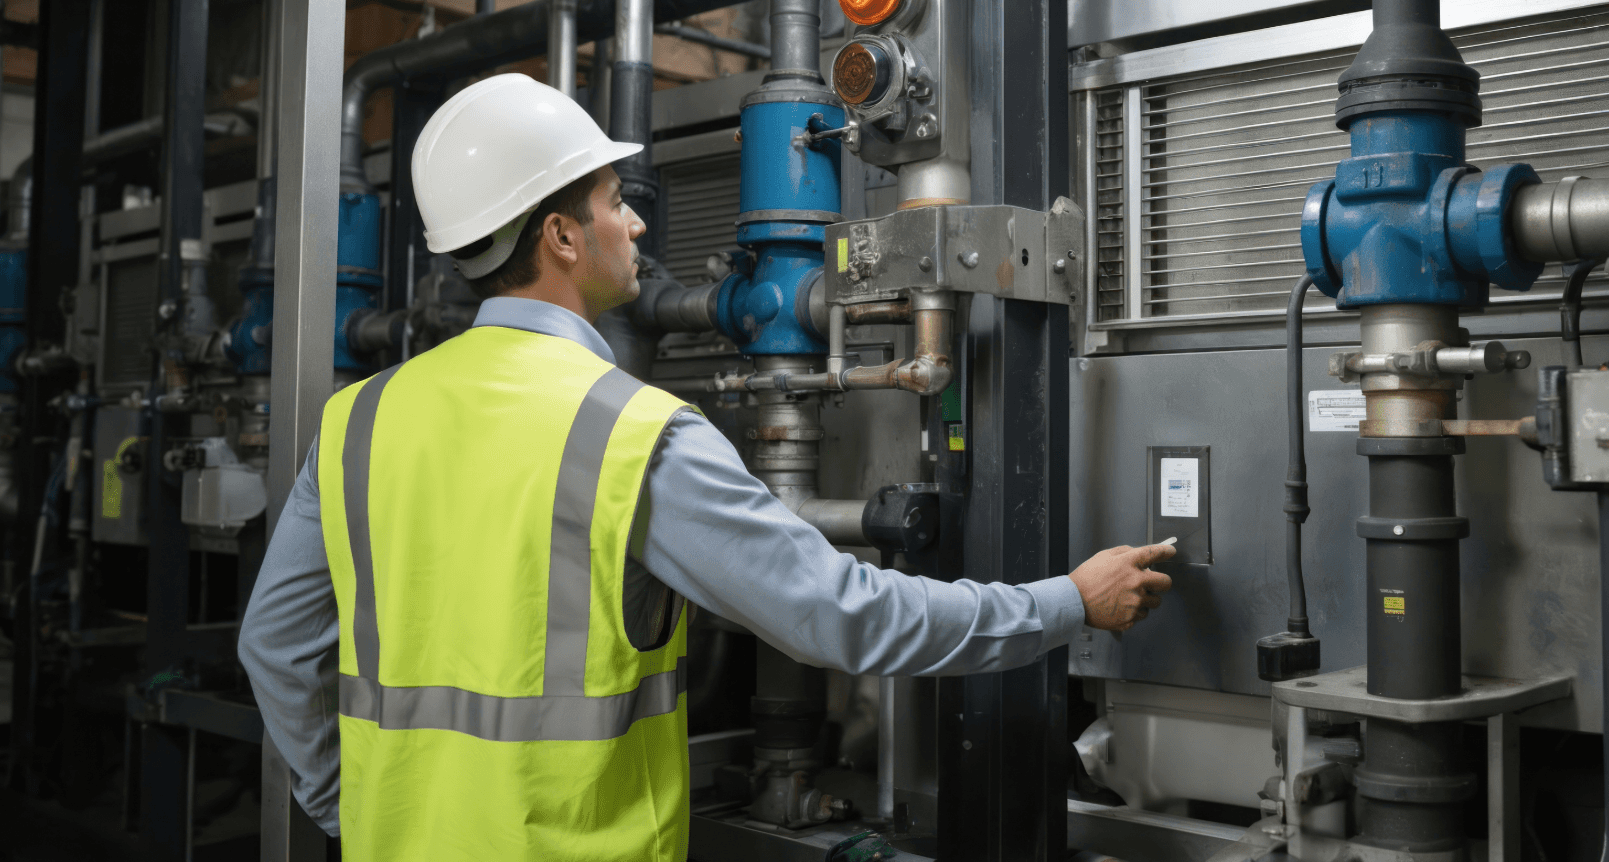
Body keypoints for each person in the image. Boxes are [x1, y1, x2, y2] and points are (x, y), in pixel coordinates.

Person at [238, 72, 1174, 861]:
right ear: (561, 237)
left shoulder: (357, 420)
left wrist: (347, 808)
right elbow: (844, 615)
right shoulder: (628, 433)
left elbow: (274, 648)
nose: (636, 227)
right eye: (613, 203)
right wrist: (1066, 604)